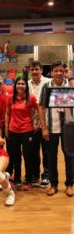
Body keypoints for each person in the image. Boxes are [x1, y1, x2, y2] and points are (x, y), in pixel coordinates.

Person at [39, 60, 74, 197]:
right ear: (51, 72)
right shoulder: (46, 86)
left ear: (65, 71)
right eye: (56, 71)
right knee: (51, 157)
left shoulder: (70, 85)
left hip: (69, 128)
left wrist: (71, 79)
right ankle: (53, 185)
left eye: (61, 70)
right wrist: (43, 128)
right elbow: (41, 108)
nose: (59, 73)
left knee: (69, 157)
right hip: (52, 127)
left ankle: (70, 184)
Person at [5, 77, 38, 190]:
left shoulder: (31, 98)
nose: (20, 86)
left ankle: (28, 180)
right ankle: (17, 179)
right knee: (15, 156)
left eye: (23, 84)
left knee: (27, 156)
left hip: (27, 130)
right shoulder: (10, 97)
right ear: (15, 86)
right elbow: (7, 113)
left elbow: (40, 110)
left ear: (26, 86)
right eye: (18, 84)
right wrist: (6, 128)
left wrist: (37, 125)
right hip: (13, 130)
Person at [28, 61, 50, 187]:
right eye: (32, 69)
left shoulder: (48, 82)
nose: (35, 72)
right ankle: (35, 174)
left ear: (41, 70)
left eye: (37, 69)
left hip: (46, 122)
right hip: (31, 124)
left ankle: (46, 175)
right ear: (30, 71)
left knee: (46, 151)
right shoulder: (26, 84)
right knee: (33, 151)